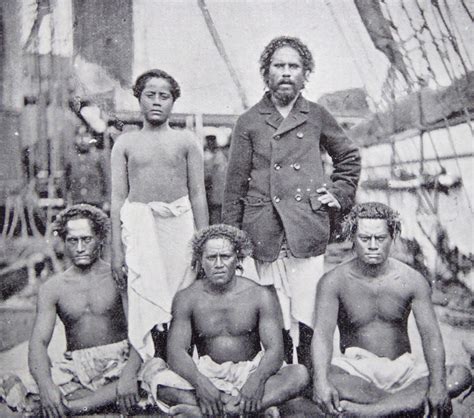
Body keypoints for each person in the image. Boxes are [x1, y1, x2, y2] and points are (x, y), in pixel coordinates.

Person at [222, 36, 361, 368]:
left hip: (305, 225)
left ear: (305, 73)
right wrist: (230, 238)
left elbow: (349, 158)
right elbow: (234, 186)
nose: (285, 73)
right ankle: (281, 376)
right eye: (278, 66)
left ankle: (312, 378)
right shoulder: (249, 120)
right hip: (262, 228)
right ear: (266, 72)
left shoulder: (316, 115)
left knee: (309, 305)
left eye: (293, 66)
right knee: (273, 309)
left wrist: (338, 193)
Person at [311, 202, 471, 416]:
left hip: (403, 370)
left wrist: (438, 385)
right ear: (352, 238)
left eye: (380, 238)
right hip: (356, 370)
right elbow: (322, 336)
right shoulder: (333, 281)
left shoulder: (412, 279)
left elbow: (431, 337)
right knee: (320, 376)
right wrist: (321, 382)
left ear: (392, 236)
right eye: (365, 238)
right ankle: (403, 407)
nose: (373, 245)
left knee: (459, 373)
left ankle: (373, 412)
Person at [140, 224, 309, 416]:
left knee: (298, 374)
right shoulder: (187, 297)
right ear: (200, 260)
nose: (218, 264)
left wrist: (257, 381)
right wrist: (201, 383)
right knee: (158, 381)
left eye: (225, 257)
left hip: (250, 372)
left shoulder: (259, 295)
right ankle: (249, 410)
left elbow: (275, 350)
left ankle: (213, 412)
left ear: (238, 258)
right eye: (211, 257)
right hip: (206, 374)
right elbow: (176, 351)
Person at [110, 69, 209, 361]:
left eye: (163, 96)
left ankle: (182, 360)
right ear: (138, 98)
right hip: (141, 229)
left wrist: (203, 243)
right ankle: (151, 363)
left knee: (182, 294)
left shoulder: (186, 141)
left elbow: (198, 195)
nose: (156, 101)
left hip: (180, 227)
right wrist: (116, 251)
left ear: (173, 101)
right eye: (149, 95)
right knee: (146, 296)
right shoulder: (125, 143)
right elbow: (117, 199)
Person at [27, 204, 141, 417]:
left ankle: (76, 407)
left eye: (86, 239)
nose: (80, 247)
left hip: (120, 362)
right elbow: (38, 343)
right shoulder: (53, 288)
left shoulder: (118, 277)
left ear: (100, 239)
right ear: (63, 242)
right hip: (77, 368)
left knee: (152, 376)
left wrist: (129, 374)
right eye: (73, 240)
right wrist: (46, 387)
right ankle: (96, 401)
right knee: (28, 390)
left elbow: (140, 333)